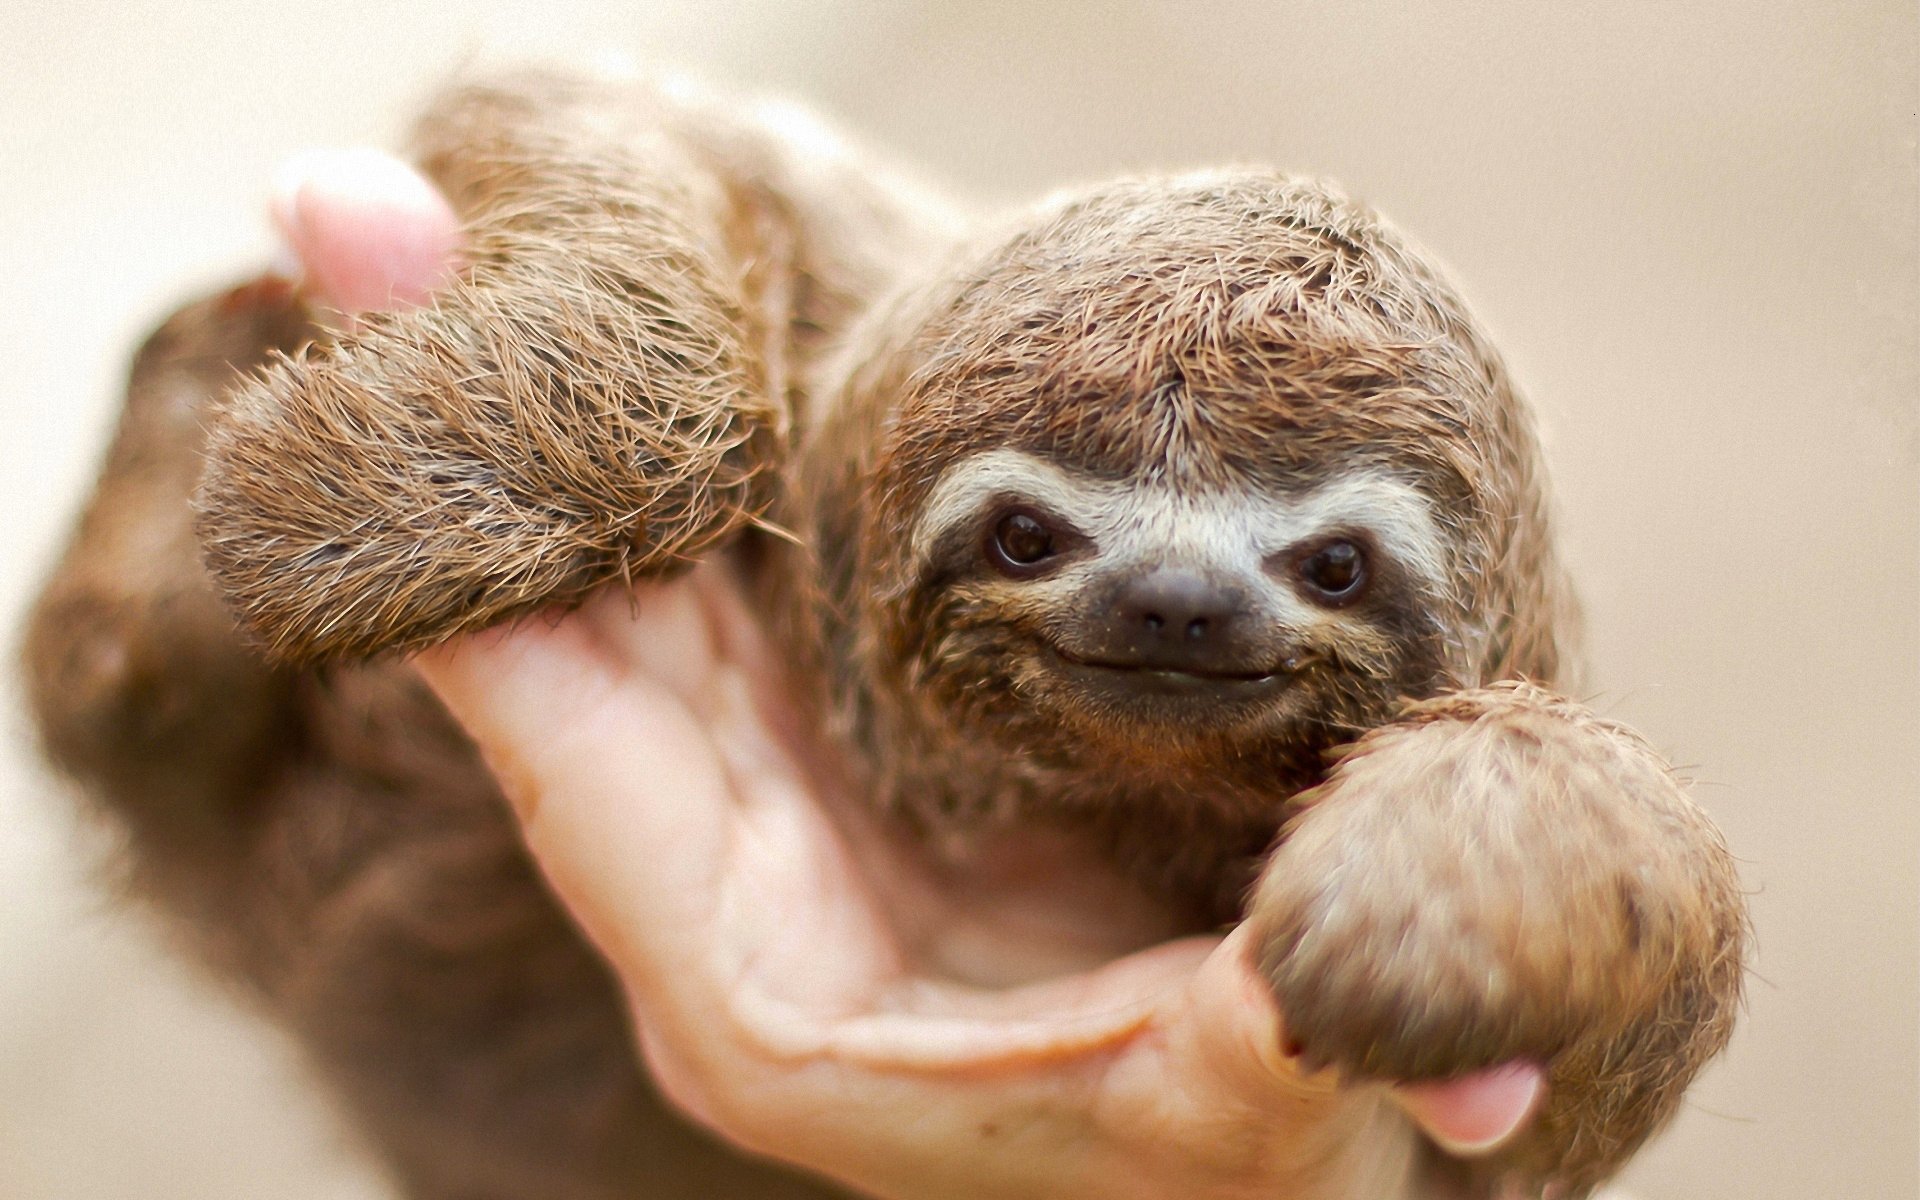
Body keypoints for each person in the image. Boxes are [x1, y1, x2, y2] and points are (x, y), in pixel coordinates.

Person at [272, 147, 1550, 1200]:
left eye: (1328, 568)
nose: (1175, 599)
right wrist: (599, 420)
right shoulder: (814, 281)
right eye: (1030, 539)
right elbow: (603, 122)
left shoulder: (1495, 789)